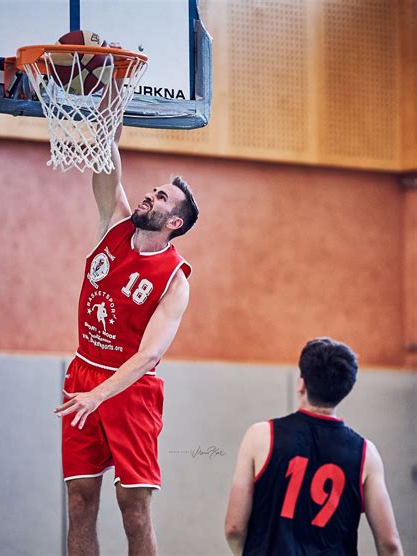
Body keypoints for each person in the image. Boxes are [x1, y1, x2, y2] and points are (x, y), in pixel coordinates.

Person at [54, 121, 199, 556]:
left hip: (130, 390)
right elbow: (108, 170)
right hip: (83, 375)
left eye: (161, 198)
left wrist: (98, 396)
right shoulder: (114, 226)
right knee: (79, 503)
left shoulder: (175, 279)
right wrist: (107, 128)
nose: (149, 196)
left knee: (133, 508)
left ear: (173, 221)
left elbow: (148, 354)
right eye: (153, 190)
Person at [225, 337, 403, 556]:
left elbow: (234, 528)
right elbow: (390, 543)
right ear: (344, 390)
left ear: (301, 383)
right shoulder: (366, 454)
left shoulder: (261, 436)